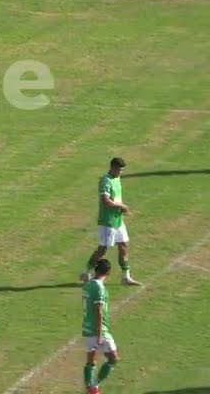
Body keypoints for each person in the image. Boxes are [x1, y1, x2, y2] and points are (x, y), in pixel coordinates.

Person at [81, 157, 141, 286]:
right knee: (102, 249)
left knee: (123, 245)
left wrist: (121, 210)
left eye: (122, 170)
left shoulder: (117, 179)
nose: (121, 172)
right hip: (107, 221)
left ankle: (126, 277)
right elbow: (106, 201)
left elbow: (116, 199)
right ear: (112, 167)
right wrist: (121, 206)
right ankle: (86, 272)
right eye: (119, 170)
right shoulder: (105, 181)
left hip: (118, 220)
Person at [81, 258, 119, 394]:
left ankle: (89, 388)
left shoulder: (88, 284)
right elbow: (98, 310)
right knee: (113, 358)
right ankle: (94, 385)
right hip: (98, 329)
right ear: (108, 272)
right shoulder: (99, 288)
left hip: (86, 328)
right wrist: (99, 334)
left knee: (91, 360)